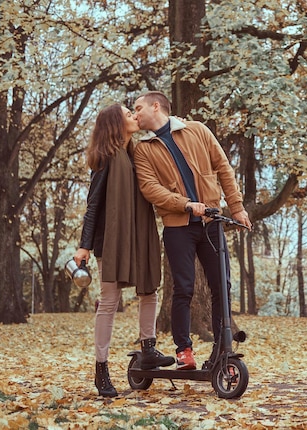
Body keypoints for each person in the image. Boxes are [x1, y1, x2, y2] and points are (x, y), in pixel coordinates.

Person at [132, 91, 252, 370]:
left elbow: (223, 167)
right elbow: (150, 189)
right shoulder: (144, 149)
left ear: (156, 106)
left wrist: (236, 207)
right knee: (183, 289)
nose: (135, 115)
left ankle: (222, 347)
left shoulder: (197, 130)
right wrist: (185, 204)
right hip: (178, 228)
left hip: (212, 225)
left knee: (222, 286)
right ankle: (184, 351)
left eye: (138, 108)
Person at [74, 103, 174, 398]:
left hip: (139, 236)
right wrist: (84, 245)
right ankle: (101, 369)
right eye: (127, 113)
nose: (133, 115)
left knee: (149, 291)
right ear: (116, 124)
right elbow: (93, 205)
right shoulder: (105, 159)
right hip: (113, 240)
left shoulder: (138, 154)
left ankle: (148, 350)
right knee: (109, 301)